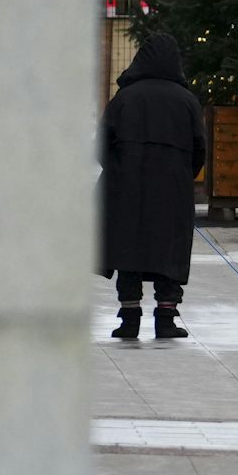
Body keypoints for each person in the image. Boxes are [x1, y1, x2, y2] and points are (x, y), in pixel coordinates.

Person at [99, 33, 206, 340]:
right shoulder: (187, 101)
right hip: (173, 191)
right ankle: (166, 318)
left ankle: (129, 318)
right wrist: (182, 176)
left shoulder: (124, 99)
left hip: (127, 190)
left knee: (128, 251)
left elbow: (101, 146)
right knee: (168, 252)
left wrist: (119, 172)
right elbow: (200, 149)